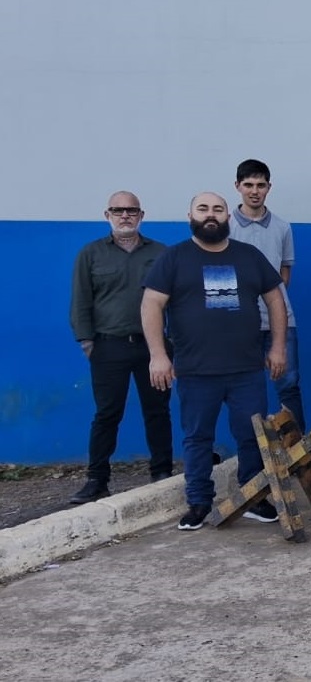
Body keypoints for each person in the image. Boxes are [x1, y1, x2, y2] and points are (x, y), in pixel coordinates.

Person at [142, 192, 287, 531]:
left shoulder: (249, 256)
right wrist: (158, 356)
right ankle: (198, 502)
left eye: (218, 209)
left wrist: (278, 347)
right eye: (203, 208)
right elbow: (151, 304)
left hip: (247, 368)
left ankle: (254, 496)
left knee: (252, 436)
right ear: (190, 215)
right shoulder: (173, 258)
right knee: (197, 438)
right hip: (195, 370)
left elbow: (275, 300)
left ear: (227, 217)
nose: (211, 214)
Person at [68, 191, 174, 504]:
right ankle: (97, 480)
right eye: (118, 210)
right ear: (108, 215)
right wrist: (88, 343)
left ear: (141, 215)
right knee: (107, 414)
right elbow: (80, 301)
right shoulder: (90, 254)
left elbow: (176, 301)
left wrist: (171, 345)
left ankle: (161, 474)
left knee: (157, 411)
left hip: (153, 348)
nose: (124, 215)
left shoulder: (161, 253)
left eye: (131, 210)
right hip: (108, 347)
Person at [227, 160, 304, 432]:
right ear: (237, 186)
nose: (254, 191)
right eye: (248, 185)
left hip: (280, 321)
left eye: (260, 185)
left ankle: (297, 450)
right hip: (239, 323)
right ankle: (252, 450)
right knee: (245, 388)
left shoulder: (282, 227)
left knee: (289, 384)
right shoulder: (226, 226)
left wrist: (274, 304)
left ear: (269, 187)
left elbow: (284, 272)